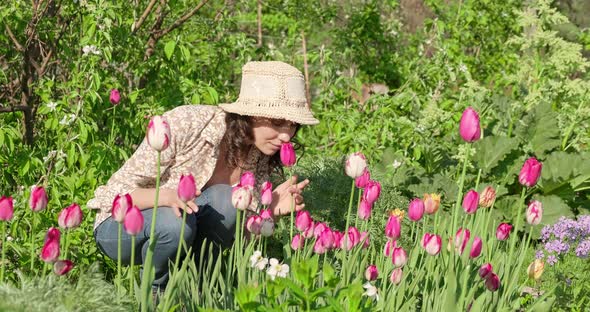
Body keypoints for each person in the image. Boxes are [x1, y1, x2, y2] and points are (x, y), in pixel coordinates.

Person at [88, 61, 319, 289]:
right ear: (250, 114)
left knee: (225, 201)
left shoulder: (259, 157)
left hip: (180, 237)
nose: (287, 136)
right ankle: (158, 293)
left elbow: (241, 241)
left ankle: (194, 289)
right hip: (121, 227)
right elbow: (111, 195)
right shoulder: (187, 123)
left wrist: (271, 212)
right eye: (278, 122)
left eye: (293, 125)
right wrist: (165, 197)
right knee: (173, 223)